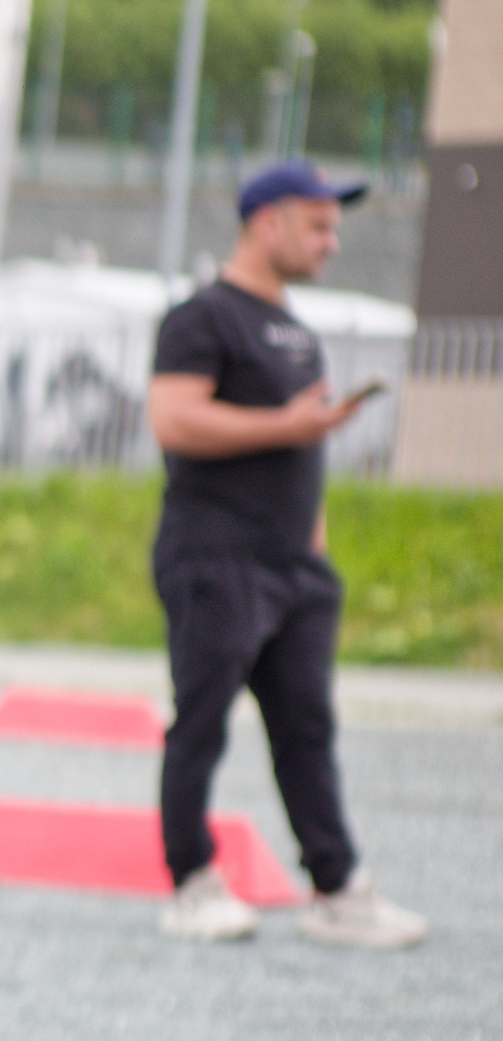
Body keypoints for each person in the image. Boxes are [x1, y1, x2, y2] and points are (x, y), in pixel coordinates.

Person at [144, 161, 425, 949]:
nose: (332, 242)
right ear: (267, 221)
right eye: (319, 224)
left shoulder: (297, 330)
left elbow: (307, 450)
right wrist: (287, 428)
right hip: (216, 556)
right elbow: (173, 420)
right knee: (201, 721)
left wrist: (316, 554)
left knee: (307, 727)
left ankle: (338, 888)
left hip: (294, 569)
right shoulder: (202, 318)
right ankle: (192, 879)